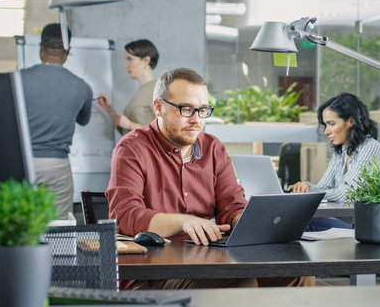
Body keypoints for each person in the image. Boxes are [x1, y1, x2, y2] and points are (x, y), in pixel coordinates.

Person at [106, 68, 313, 289]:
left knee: (298, 275)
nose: (196, 120)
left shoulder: (213, 148)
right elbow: (126, 217)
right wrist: (183, 221)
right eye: (186, 110)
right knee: (241, 282)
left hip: (206, 262)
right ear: (158, 107)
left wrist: (250, 222)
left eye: (203, 110)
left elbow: (232, 206)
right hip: (152, 272)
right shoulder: (132, 148)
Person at [20, 23, 93, 219]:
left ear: (41, 48)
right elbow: (83, 120)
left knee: (18, 223)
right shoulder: (82, 87)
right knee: (58, 228)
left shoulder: (17, 79)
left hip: (22, 162)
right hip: (56, 165)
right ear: (68, 51)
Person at [288, 93, 380, 231]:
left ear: (351, 121)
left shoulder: (371, 148)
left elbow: (345, 194)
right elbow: (324, 186)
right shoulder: (342, 151)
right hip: (347, 223)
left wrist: (309, 193)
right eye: (325, 125)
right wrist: (306, 187)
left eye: (332, 124)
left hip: (366, 228)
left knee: (299, 222)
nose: (327, 131)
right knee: (295, 219)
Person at [98, 39, 159, 134]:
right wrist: (109, 110)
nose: (126, 65)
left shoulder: (158, 89)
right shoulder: (142, 89)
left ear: (146, 60)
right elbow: (127, 132)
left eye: (130, 59)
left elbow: (165, 134)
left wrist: (130, 125)